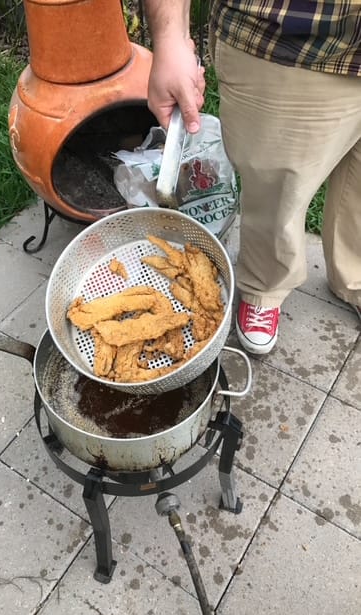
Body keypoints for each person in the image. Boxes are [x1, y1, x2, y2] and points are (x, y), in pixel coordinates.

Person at [143, 0, 361, 354]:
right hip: (294, 42)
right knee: (276, 190)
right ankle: (264, 285)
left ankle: (355, 276)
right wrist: (171, 37)